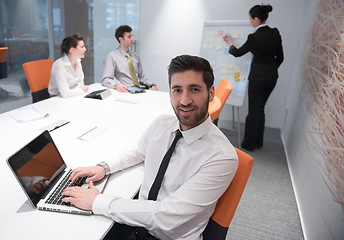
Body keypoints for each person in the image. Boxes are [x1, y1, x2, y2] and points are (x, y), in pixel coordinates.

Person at [62, 55, 238, 239]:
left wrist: (98, 201)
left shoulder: (222, 156)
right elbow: (139, 152)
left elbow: (167, 216)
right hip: (136, 223)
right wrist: (103, 167)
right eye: (177, 90)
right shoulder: (163, 123)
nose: (184, 100)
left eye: (194, 89)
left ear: (210, 93)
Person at [223, 4, 284, 151]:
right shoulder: (275, 33)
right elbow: (280, 58)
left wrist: (230, 42)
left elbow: (237, 53)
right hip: (272, 77)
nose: (250, 21)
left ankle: (249, 144)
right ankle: (258, 141)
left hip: (258, 78)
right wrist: (270, 69)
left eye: (250, 18)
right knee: (260, 109)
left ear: (256, 18)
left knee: (253, 111)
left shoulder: (254, 37)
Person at [102, 25, 158, 92]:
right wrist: (116, 85)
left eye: (132, 36)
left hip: (139, 89)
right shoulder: (112, 56)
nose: (132, 39)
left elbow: (141, 77)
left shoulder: (135, 56)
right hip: (125, 91)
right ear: (121, 39)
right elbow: (105, 79)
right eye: (129, 37)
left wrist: (152, 85)